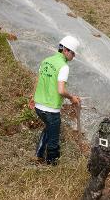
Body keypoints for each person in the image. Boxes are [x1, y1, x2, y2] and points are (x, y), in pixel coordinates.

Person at [29, 36, 81, 165]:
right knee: (54, 139)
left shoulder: (46, 61)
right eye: (73, 54)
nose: (73, 57)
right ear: (66, 51)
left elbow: (38, 80)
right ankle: (52, 164)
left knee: (48, 127)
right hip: (51, 110)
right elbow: (61, 90)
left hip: (39, 107)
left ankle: (38, 154)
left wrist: (33, 98)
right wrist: (72, 98)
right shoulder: (63, 66)